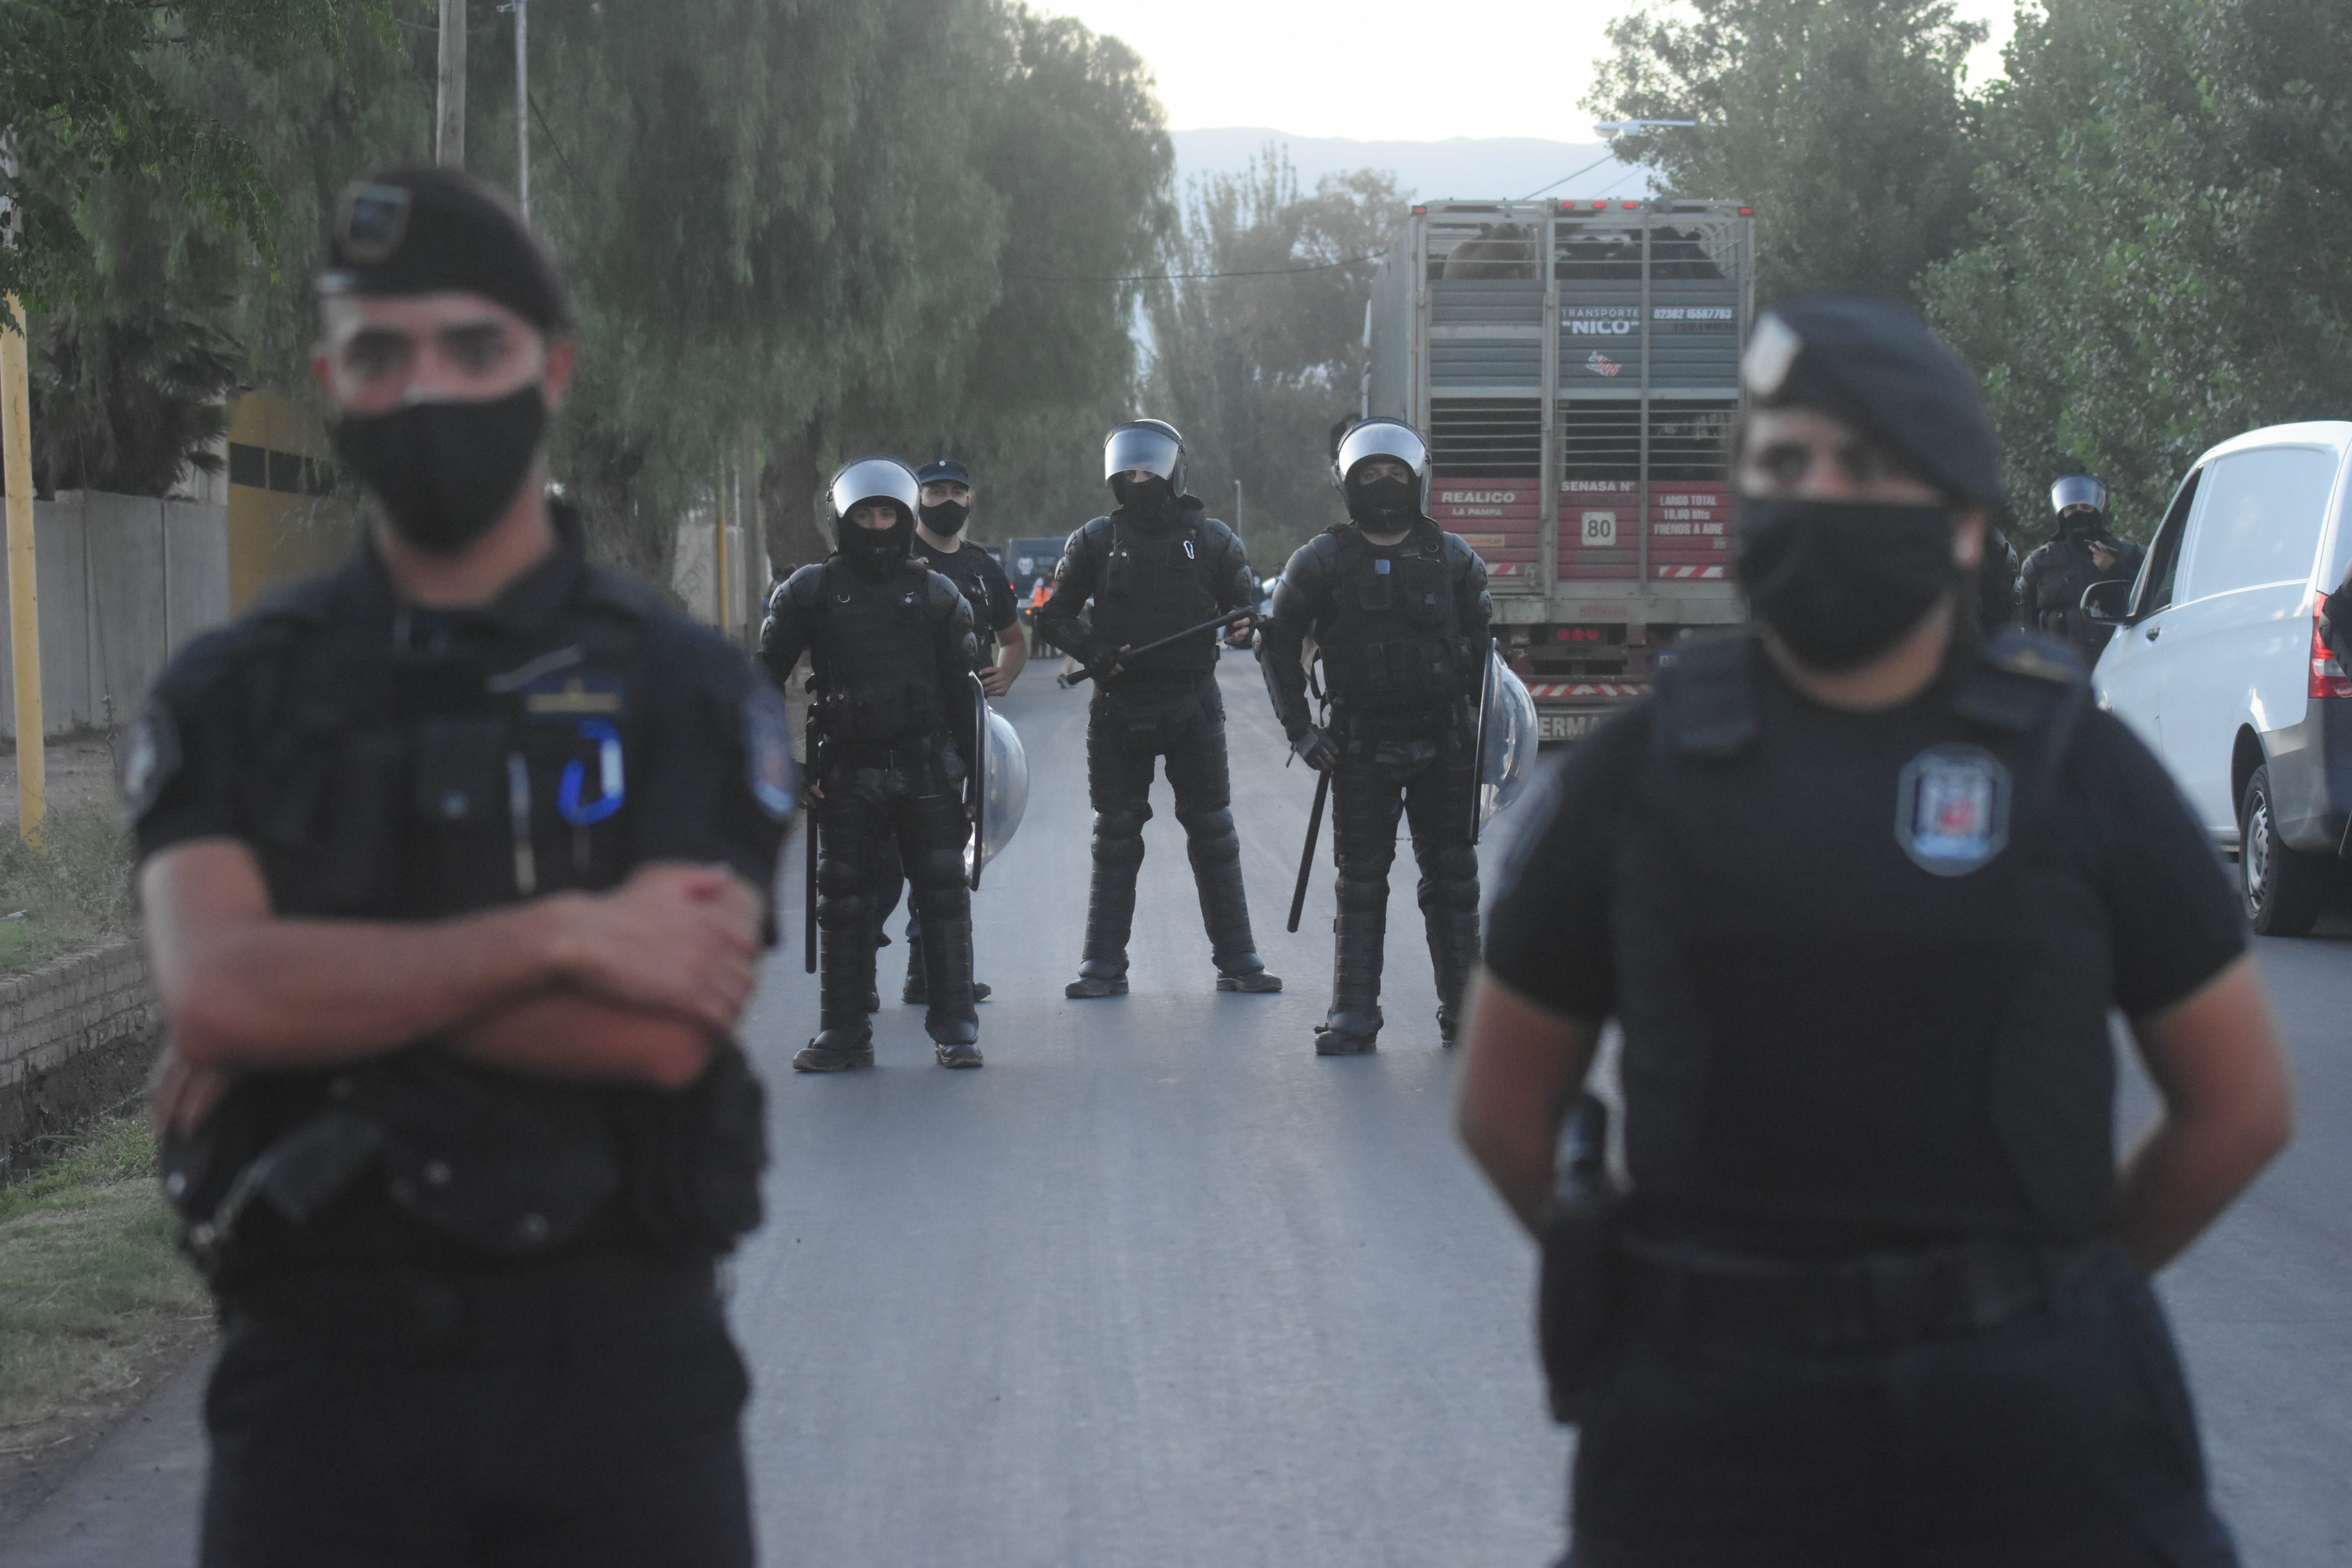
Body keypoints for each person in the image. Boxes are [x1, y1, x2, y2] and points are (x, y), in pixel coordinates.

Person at [1456, 294, 2294, 1568]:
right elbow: (1505, 1105)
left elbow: (2239, 1103)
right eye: (1783, 463)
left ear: (1963, 517)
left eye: (1864, 464)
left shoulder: (2081, 767)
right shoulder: (1639, 774)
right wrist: (1670, 1306)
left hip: (2039, 1417)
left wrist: (2072, 1287)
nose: (1819, 495)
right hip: (1714, 1424)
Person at [130, 167, 792, 1568]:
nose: (427, 389)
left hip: (616, 1399)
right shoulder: (231, 692)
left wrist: (320, 988)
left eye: (471, 347)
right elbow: (221, 999)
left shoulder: (679, 686)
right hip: (317, 1408)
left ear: (550, 368)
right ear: (330, 380)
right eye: (382, 353)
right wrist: (560, 931)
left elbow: (659, 1025)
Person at [1257, 417, 1492, 1053]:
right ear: (1349, 483)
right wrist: (1302, 731)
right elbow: (1277, 644)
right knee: (1360, 881)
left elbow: (1485, 652)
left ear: (1415, 479)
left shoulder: (1454, 558)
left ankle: (1468, 1017)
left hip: (1443, 744)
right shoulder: (1321, 561)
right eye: (1371, 474)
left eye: (1396, 473)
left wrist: (1483, 731)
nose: (1384, 483)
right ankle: (1354, 1015)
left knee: (1455, 880)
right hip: (1360, 746)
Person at [1036, 419, 1281, 998]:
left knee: (1213, 831)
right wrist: (1092, 651)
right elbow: (1052, 617)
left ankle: (1238, 959)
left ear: (1173, 473)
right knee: (1115, 834)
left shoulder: (1215, 540)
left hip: (1193, 702)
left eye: (1149, 471)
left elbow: (1245, 612)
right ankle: (1102, 964)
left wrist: (1246, 627)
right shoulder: (1094, 541)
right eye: (1131, 472)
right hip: (1119, 707)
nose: (1139, 481)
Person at [761, 455, 984, 1070]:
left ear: (906, 518)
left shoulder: (939, 594)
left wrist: (977, 782)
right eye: (867, 513)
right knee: (842, 896)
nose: (879, 524)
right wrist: (791, 767)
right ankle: (844, 1029)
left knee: (942, 888)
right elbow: (760, 682)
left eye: (889, 512)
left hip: (926, 767)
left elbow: (966, 697)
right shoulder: (810, 592)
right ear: (845, 517)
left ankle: (956, 1024)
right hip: (846, 769)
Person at [867, 458, 1023, 1007]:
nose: (946, 501)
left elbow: (1013, 636)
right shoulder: (895, 558)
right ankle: (856, 975)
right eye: (934, 491)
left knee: (946, 856)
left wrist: (1004, 674)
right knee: (883, 859)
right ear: (917, 498)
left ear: (970, 498)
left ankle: (930, 973)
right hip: (894, 731)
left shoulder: (981, 567)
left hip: (961, 734)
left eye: (957, 490)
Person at [2019, 473, 2147, 661]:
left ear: (2096, 510)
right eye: (2071, 508)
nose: (2078, 513)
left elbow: (2152, 598)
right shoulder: (2040, 562)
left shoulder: (2128, 554)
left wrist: (2114, 569)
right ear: (2062, 513)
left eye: (2085, 507)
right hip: (2059, 665)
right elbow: (2023, 618)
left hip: (2118, 659)